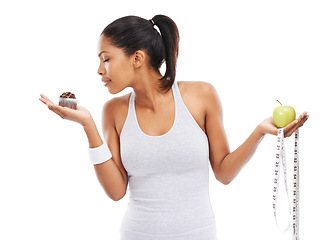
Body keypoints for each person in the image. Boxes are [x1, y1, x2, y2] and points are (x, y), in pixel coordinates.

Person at [39, 15, 309, 240]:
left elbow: (224, 173)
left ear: (137, 58)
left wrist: (260, 131)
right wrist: (87, 125)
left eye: (106, 59)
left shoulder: (201, 96)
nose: (99, 70)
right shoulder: (114, 111)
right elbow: (116, 191)